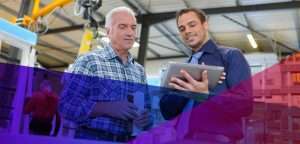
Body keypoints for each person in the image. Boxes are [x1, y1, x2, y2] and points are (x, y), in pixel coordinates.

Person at [59, 7, 152, 143]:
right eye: (122, 27)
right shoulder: (90, 62)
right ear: (109, 31)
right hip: (93, 138)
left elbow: (148, 110)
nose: (130, 33)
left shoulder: (139, 71)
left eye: (133, 28)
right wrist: (107, 108)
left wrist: (146, 118)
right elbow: (66, 106)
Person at [159, 8, 253, 143]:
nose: (187, 31)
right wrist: (185, 91)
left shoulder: (230, 56)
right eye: (182, 28)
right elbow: (167, 112)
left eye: (192, 25)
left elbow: (245, 105)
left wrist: (206, 95)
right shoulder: (180, 70)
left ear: (205, 25)